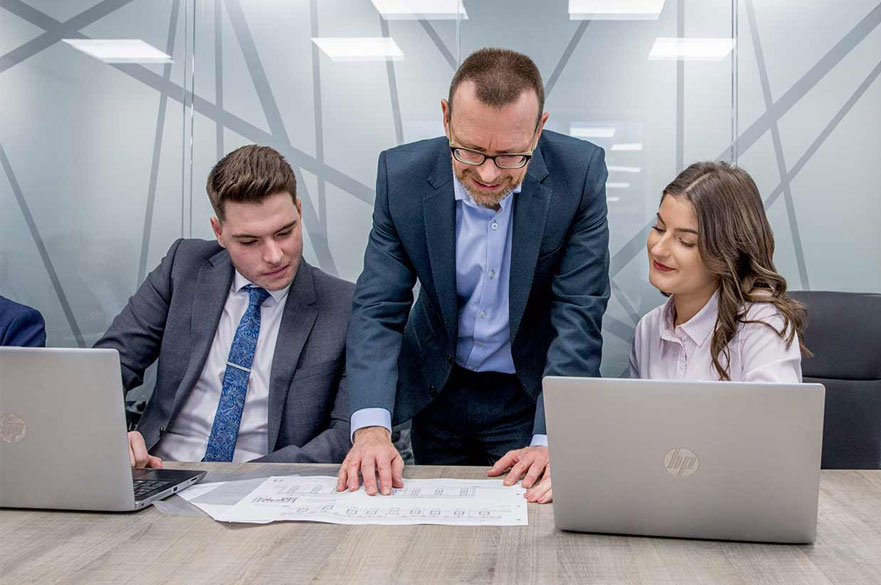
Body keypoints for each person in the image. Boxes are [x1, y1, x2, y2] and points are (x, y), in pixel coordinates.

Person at [338, 48, 610, 502]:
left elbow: (578, 314)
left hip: (526, 395)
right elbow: (378, 309)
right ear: (446, 119)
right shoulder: (402, 177)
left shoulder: (578, 176)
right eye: (470, 151)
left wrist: (551, 440)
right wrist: (369, 428)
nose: (486, 173)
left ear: (539, 129)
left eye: (509, 157)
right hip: (437, 390)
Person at [95, 145, 353, 468]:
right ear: (219, 232)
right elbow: (105, 368)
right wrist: (109, 434)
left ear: (299, 212)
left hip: (265, 486)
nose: (274, 255)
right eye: (249, 242)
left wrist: (243, 479)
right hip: (160, 472)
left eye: (284, 232)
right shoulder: (184, 267)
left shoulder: (343, 306)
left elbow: (345, 436)